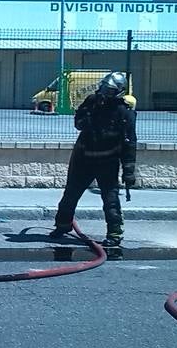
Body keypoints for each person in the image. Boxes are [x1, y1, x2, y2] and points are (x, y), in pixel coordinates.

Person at [50, 71, 137, 248]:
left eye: (109, 90)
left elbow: (130, 144)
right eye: (103, 87)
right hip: (83, 159)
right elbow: (78, 123)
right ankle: (63, 226)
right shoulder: (91, 102)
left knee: (110, 200)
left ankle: (114, 233)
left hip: (108, 162)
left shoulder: (124, 113)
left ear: (119, 92)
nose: (104, 92)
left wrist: (129, 171)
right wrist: (89, 113)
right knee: (70, 195)